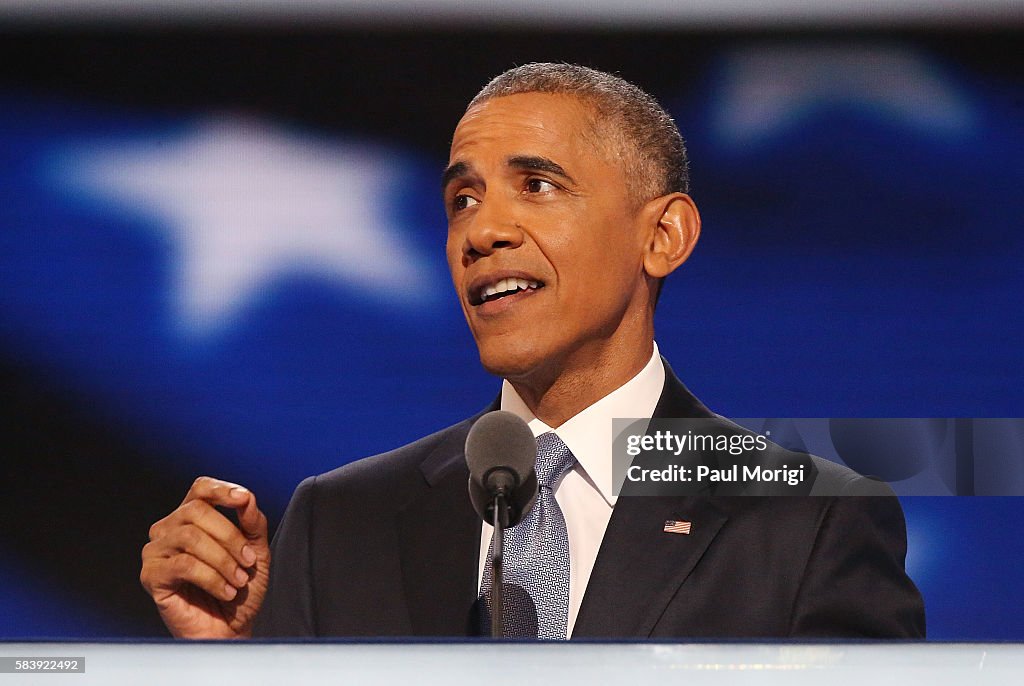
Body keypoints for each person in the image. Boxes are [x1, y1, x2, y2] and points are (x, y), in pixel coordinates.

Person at [140, 63, 925, 640]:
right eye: (462, 199)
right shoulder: (339, 521)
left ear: (663, 235)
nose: (482, 231)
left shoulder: (805, 517)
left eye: (538, 185)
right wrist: (236, 660)